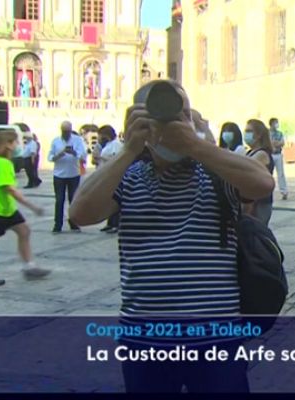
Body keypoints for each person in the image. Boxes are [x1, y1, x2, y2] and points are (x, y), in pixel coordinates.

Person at [68, 80, 274, 393]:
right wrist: (129, 150)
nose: (172, 127)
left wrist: (196, 145)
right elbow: (80, 213)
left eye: (182, 116)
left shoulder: (217, 172)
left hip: (216, 339)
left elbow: (262, 185)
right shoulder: (128, 176)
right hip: (144, 340)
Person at [0, 130, 50, 286]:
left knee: (24, 231)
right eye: (16, 142)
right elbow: (9, 189)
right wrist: (32, 206)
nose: (18, 145)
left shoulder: (0, 162)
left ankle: (29, 267)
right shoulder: (1, 163)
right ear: (8, 145)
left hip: (6, 209)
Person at [48, 120, 87, 233]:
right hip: (59, 174)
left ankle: (74, 222)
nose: (66, 134)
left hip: (73, 173)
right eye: (64, 131)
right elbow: (50, 157)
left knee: (73, 199)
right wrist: (60, 154)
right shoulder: (56, 141)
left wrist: (74, 153)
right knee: (59, 200)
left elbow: (83, 156)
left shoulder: (77, 140)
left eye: (68, 131)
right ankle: (58, 224)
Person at [244, 119, 275, 225]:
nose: (246, 134)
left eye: (249, 131)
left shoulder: (261, 154)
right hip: (252, 201)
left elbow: (247, 172)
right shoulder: (250, 152)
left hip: (259, 203)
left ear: (258, 135)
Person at [96, 125, 123, 233]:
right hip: (106, 175)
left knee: (114, 200)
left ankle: (116, 223)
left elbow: (115, 159)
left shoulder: (116, 145)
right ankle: (110, 222)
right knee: (109, 200)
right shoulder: (108, 145)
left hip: (114, 175)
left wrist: (100, 157)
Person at [269, 117, 289, 200]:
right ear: (271, 124)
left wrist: (274, 143)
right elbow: (269, 143)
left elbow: (282, 143)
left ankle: (284, 191)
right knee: (269, 173)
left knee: (281, 174)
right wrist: (275, 143)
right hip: (270, 154)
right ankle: (268, 191)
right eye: (275, 123)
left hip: (278, 154)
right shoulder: (267, 133)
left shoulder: (279, 133)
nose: (277, 124)